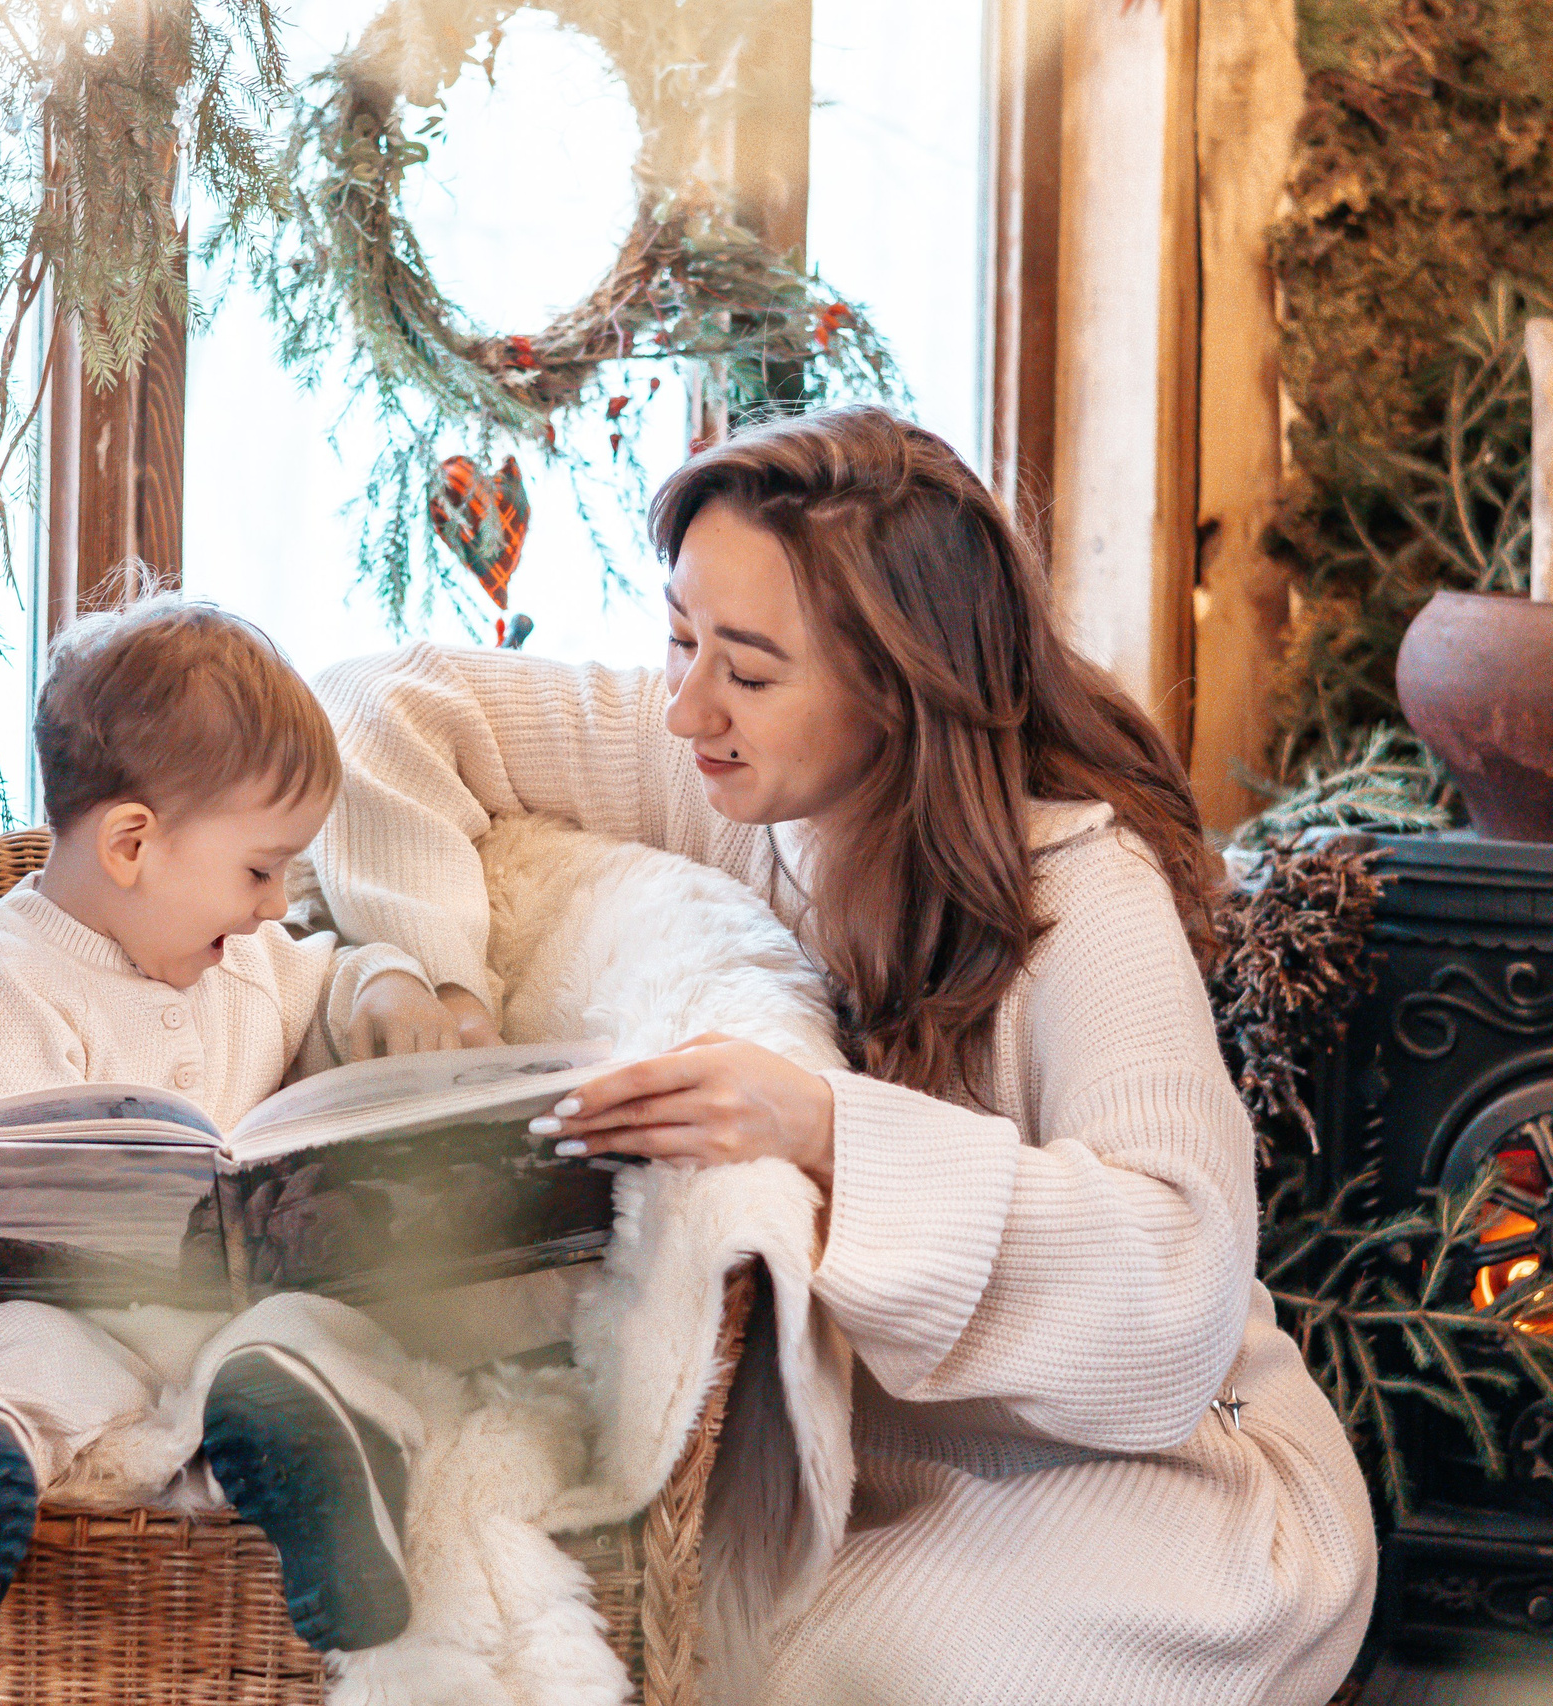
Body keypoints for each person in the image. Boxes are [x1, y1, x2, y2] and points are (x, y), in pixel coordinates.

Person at [307, 406, 1377, 1704]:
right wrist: (427, 969)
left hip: (1182, 1478)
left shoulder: (1085, 901)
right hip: (909, 1462)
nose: (687, 702)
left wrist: (823, 1125)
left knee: (833, 1666)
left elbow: (1177, 1285)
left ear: (893, 690)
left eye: (747, 671)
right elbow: (378, 706)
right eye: (677, 635)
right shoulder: (723, 775)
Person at [0, 597, 468, 1706]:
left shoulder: (246, 955)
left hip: (228, 1330)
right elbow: (13, 1238)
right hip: (69, 1320)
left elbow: (328, 968)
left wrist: (386, 981)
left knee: (306, 1335)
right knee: (15, 1362)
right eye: (260, 870)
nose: (279, 900)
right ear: (132, 842)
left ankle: (319, 1472)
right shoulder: (9, 979)